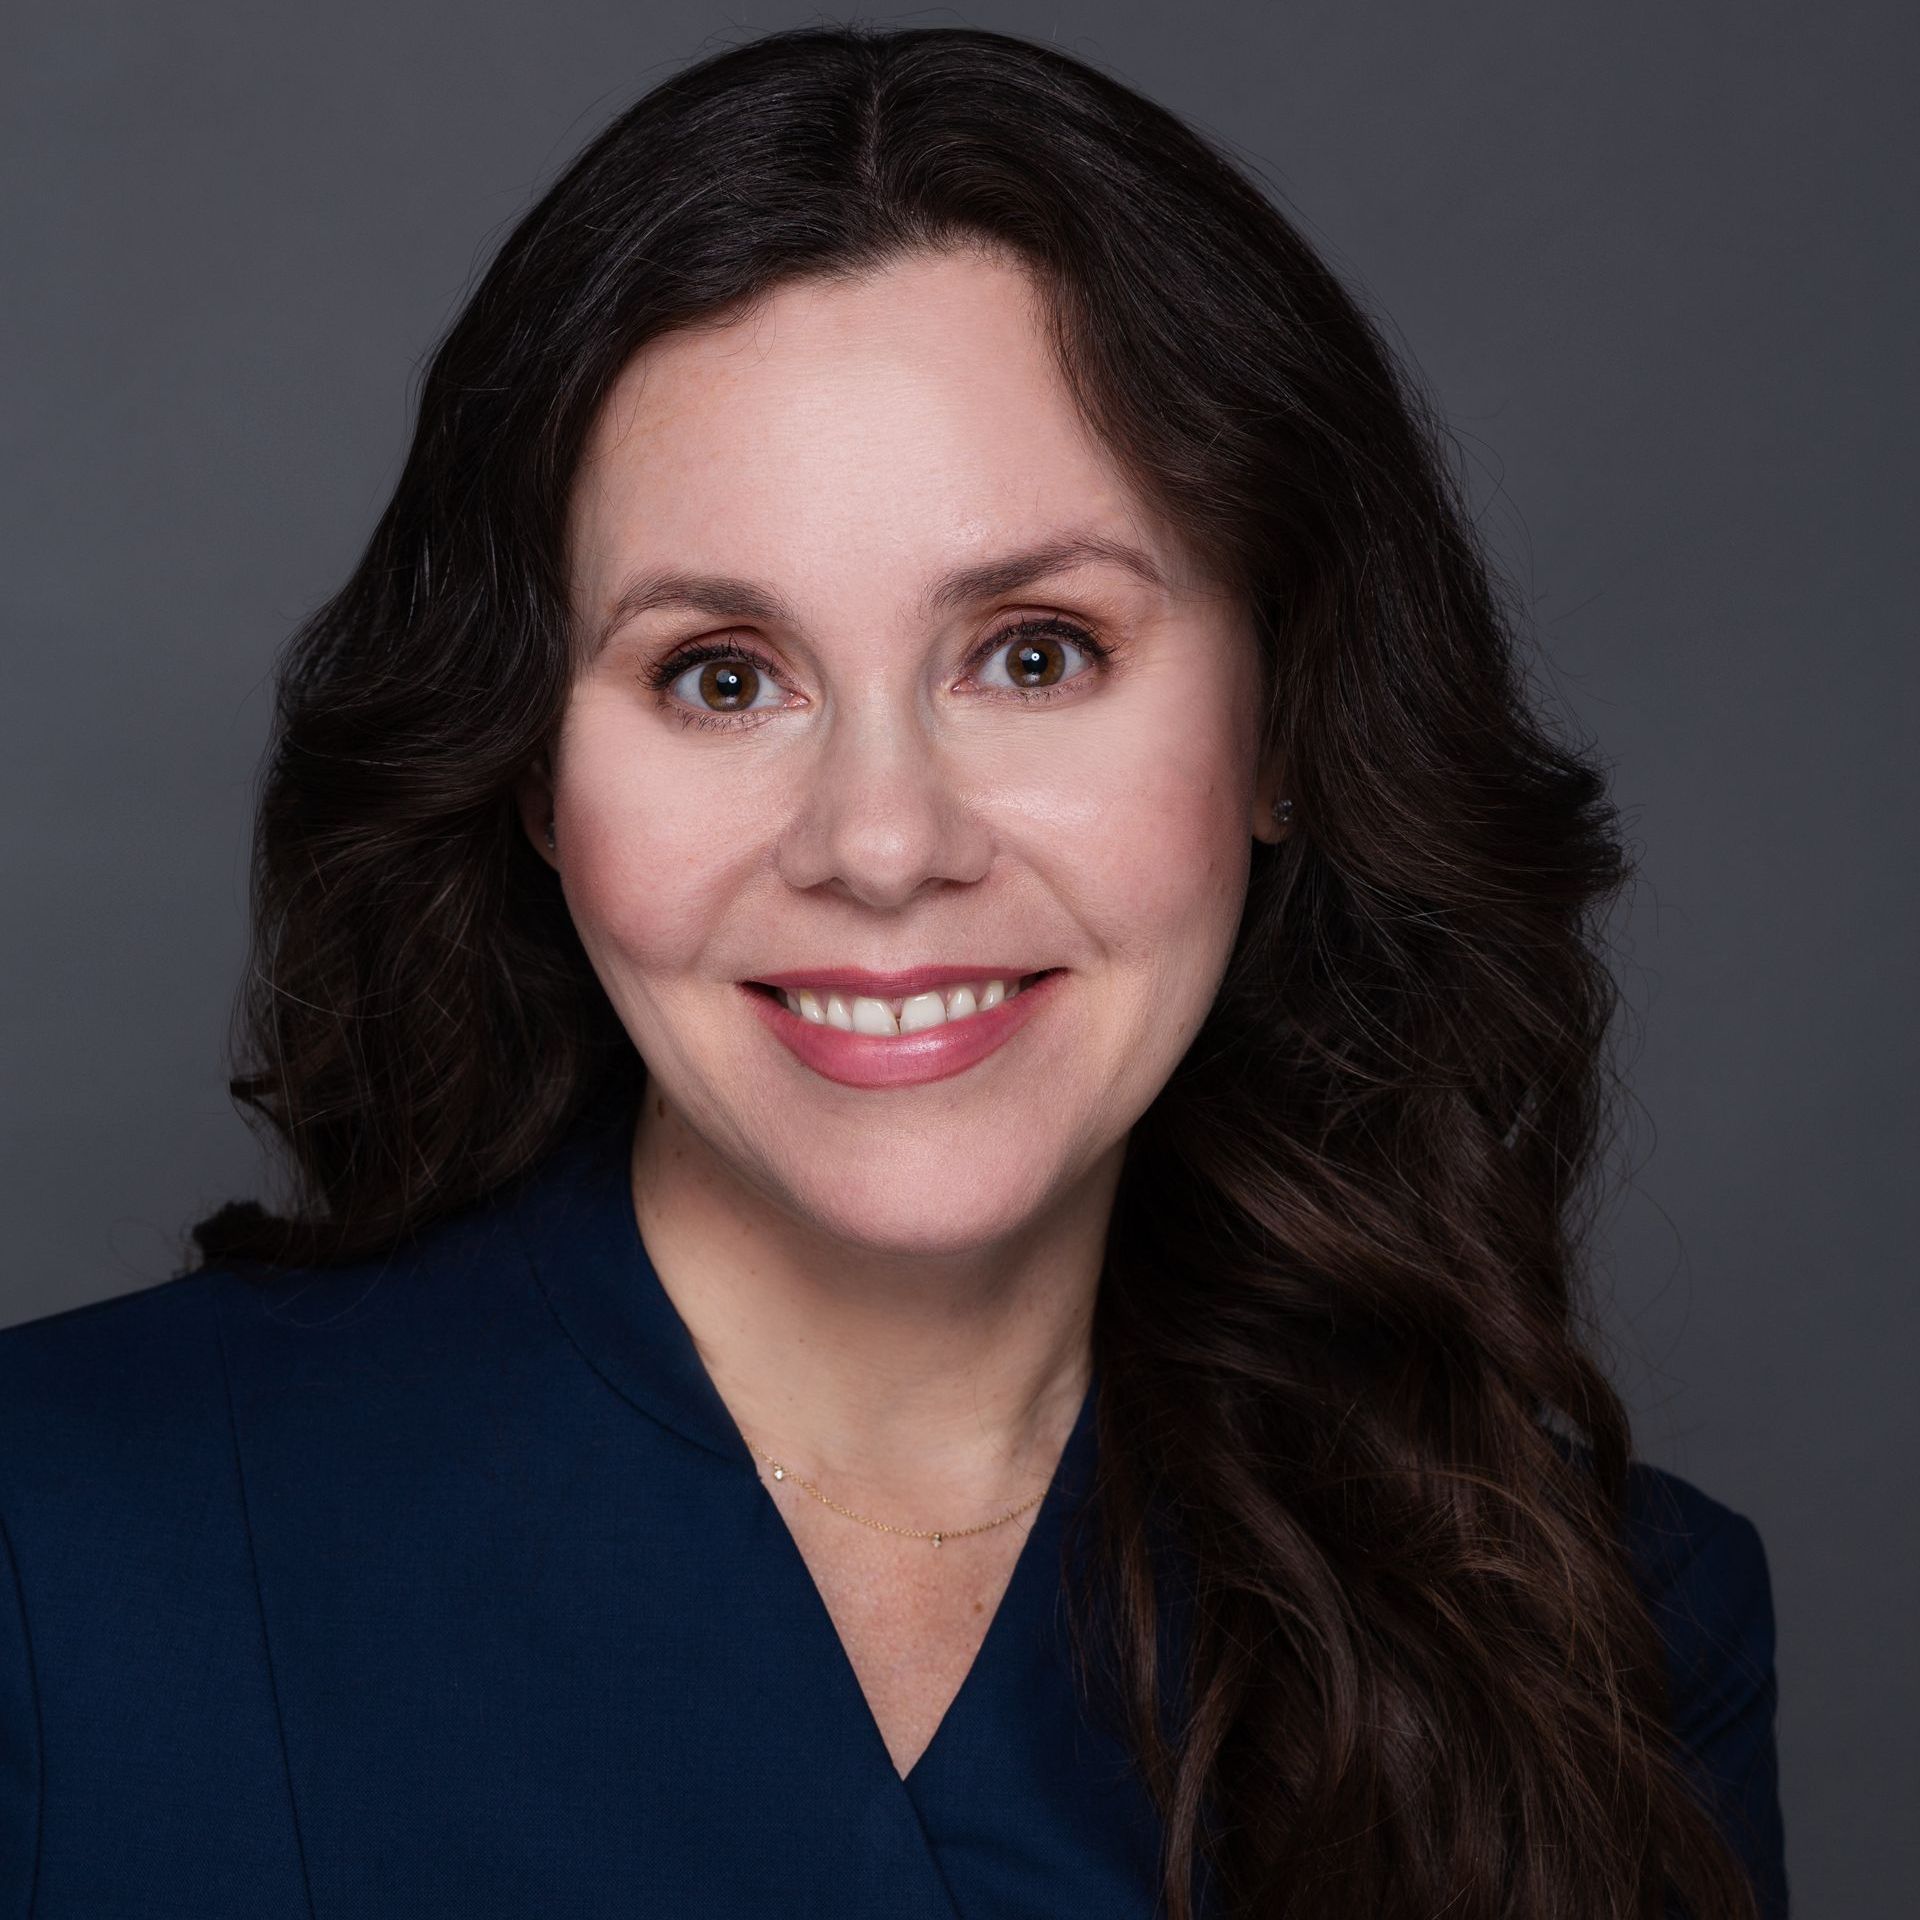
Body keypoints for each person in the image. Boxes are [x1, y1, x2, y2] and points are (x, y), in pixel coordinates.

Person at [0, 22, 1785, 1919]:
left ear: (1282, 726)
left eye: (1033, 653)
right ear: (532, 772)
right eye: (720, 675)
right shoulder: (60, 1545)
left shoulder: (1617, 1643)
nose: (879, 839)